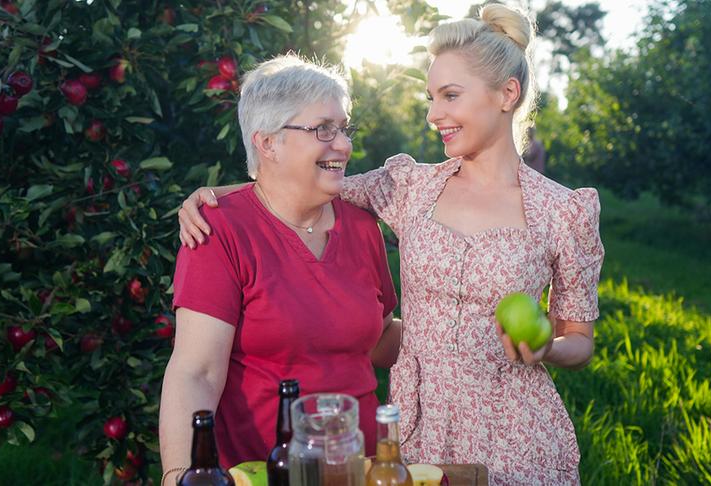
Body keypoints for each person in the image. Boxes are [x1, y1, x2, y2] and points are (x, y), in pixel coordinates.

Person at [177, 5, 604, 484]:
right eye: (430, 97)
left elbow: (580, 342)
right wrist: (215, 196)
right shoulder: (410, 188)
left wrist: (547, 345)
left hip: (517, 433)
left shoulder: (565, 212)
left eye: (450, 96)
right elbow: (303, 181)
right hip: (416, 430)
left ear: (507, 94)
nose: (432, 114)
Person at [158, 55, 401, 486]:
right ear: (267, 143)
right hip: (262, 472)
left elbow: (380, 340)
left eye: (344, 128)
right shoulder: (220, 231)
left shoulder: (363, 227)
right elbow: (196, 372)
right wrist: (179, 475)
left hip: (361, 469)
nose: (343, 144)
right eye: (323, 129)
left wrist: (465, 328)